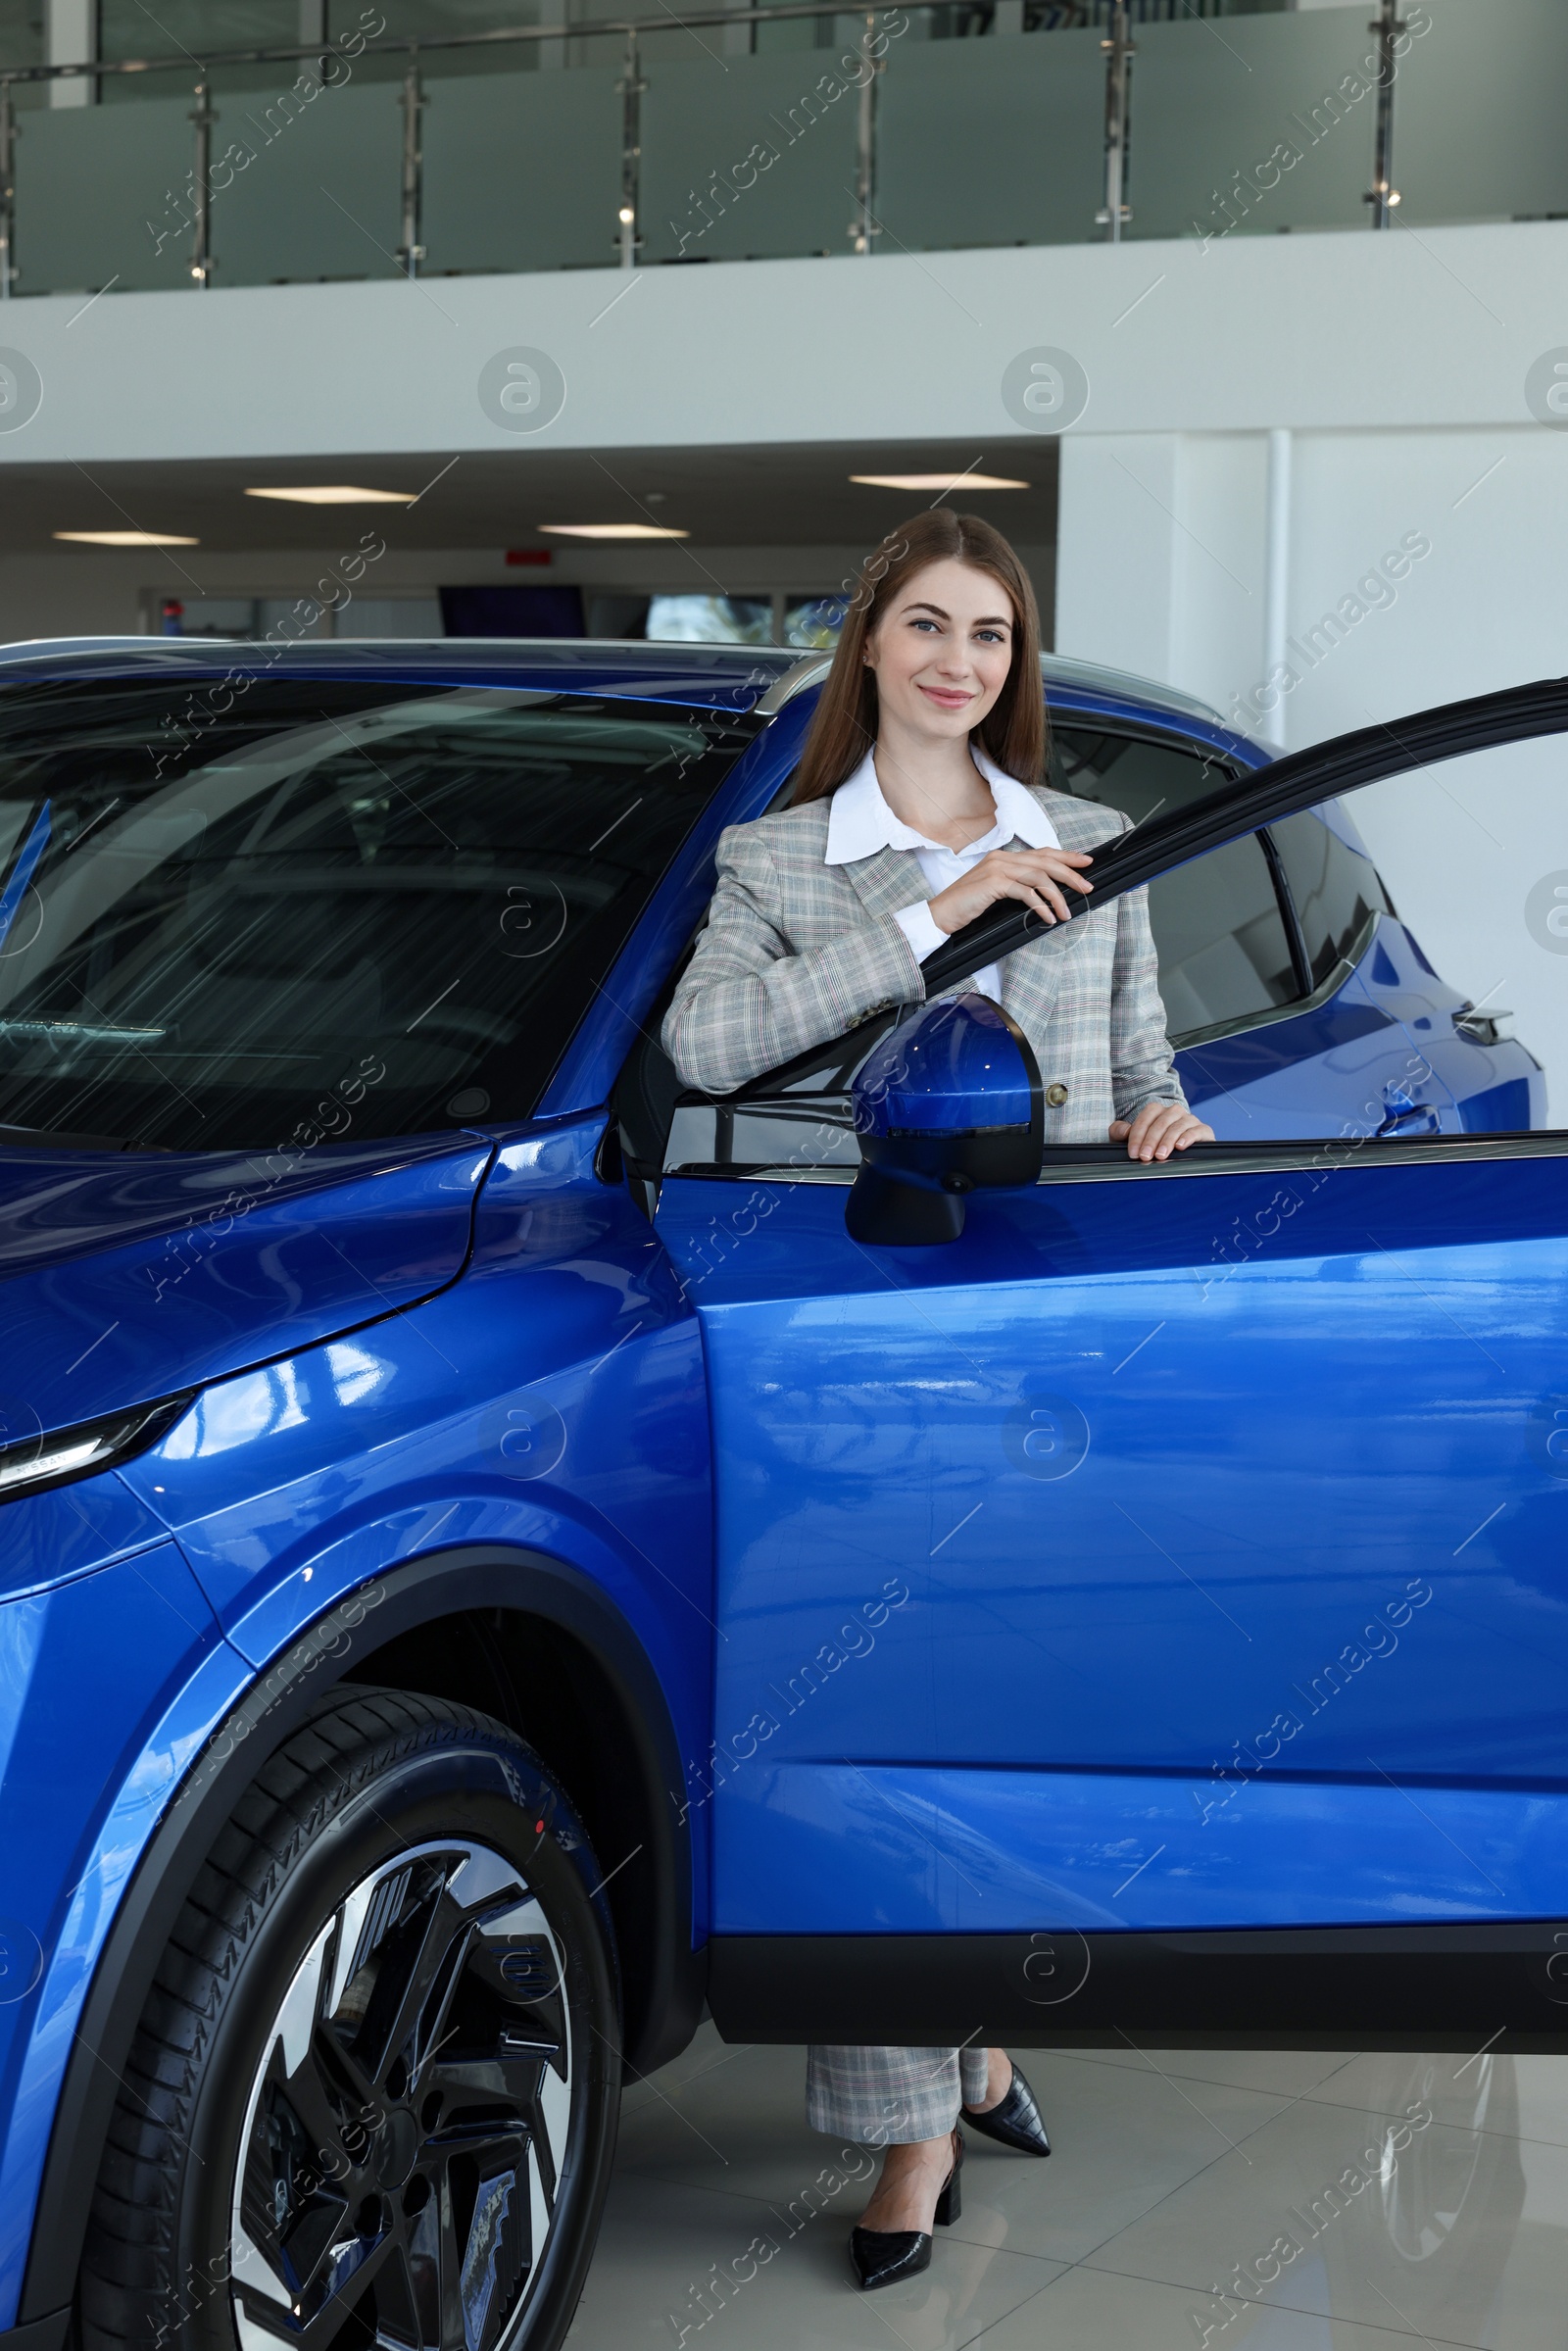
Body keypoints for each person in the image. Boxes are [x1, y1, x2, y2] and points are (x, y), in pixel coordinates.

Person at [662, 510, 1212, 2289]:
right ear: (871, 648)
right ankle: (917, 2128)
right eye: (927, 625)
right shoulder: (779, 861)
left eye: (990, 633)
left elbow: (1146, 1075)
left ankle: (969, 2042)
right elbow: (707, 1052)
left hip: (1050, 1348)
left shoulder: (1104, 850)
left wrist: (1163, 1130)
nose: (960, 660)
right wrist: (936, 910)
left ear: (1012, 662)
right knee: (884, 1714)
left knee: (1015, 1710)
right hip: (854, 1346)